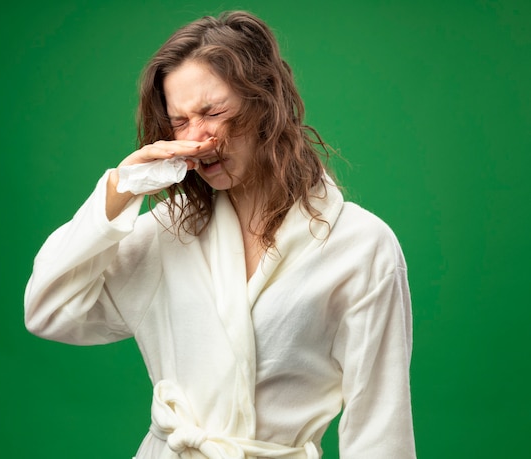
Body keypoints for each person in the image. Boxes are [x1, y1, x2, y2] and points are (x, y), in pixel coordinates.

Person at [24, 10, 416, 459]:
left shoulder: (362, 246)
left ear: (264, 101)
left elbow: (379, 427)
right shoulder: (167, 233)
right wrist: (120, 188)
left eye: (213, 112)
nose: (199, 139)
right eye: (180, 122)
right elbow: (47, 309)